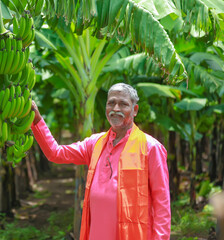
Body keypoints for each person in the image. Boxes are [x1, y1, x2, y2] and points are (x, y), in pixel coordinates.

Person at [30, 83, 171, 240]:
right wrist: (37, 120)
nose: (116, 108)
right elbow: (55, 153)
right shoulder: (95, 143)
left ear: (135, 110)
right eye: (111, 103)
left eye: (123, 104)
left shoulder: (151, 147)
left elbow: (162, 203)